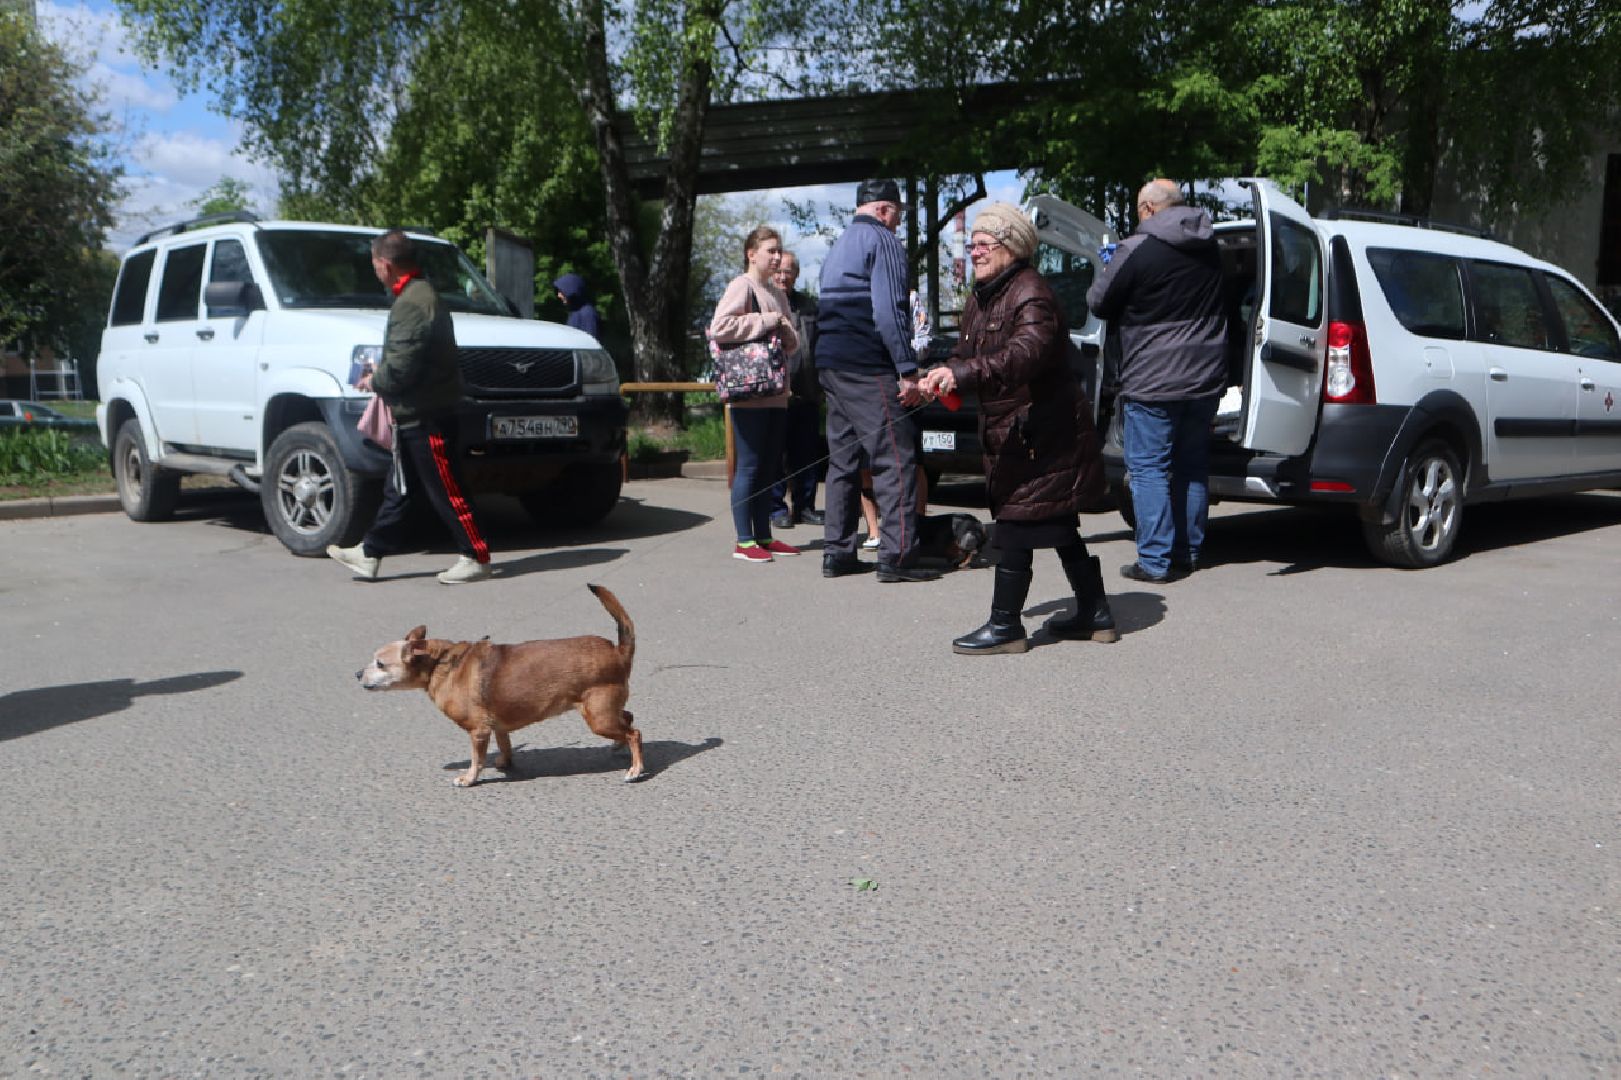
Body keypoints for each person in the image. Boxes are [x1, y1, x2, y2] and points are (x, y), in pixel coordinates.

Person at [918, 203, 1116, 654]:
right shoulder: (982, 295)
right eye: (973, 244)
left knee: (1013, 524)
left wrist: (963, 376)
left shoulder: (1031, 294)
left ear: (1012, 247)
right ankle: (1096, 611)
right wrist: (934, 379)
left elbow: (1022, 356)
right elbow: (967, 357)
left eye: (985, 243)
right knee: (1059, 523)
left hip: (1043, 433)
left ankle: (1005, 626)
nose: (976, 251)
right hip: (1016, 430)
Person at [327, 229, 493, 584]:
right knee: (400, 488)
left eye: (374, 265)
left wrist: (375, 380)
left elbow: (401, 368)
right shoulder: (417, 296)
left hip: (427, 415)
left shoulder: (413, 303)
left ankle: (476, 555)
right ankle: (369, 553)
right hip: (416, 413)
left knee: (448, 489)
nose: (375, 272)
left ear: (385, 265)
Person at [1085, 178, 1228, 583]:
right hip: (1205, 375)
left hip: (1154, 377)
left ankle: (1154, 560)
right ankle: (1187, 552)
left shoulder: (1136, 250)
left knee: (1148, 468)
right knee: (1192, 466)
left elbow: (1098, 302)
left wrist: (1110, 263)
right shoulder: (1210, 247)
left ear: (1148, 209)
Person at [815, 178, 939, 583]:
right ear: (885, 210)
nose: (898, 224)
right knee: (896, 458)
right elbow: (889, 312)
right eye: (898, 216)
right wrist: (906, 369)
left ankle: (837, 552)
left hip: (831, 364)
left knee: (843, 461)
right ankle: (897, 556)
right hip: (867, 365)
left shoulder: (838, 246)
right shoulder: (883, 242)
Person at [709, 225, 801, 563]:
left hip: (776, 391)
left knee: (768, 466)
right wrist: (765, 321)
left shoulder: (776, 292)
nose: (776, 257)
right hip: (748, 392)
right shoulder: (741, 286)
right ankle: (744, 540)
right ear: (752, 254)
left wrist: (782, 325)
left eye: (779, 251)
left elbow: (791, 342)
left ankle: (763, 534)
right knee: (748, 466)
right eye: (770, 251)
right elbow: (720, 327)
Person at [768, 251, 825, 530]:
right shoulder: (763, 302)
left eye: (788, 271)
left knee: (806, 454)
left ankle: (805, 507)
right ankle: (777, 508)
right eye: (778, 270)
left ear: (797, 275)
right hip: (776, 395)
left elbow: (821, 344)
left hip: (808, 392)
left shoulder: (810, 306)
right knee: (776, 455)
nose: (783, 276)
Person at [553, 273, 602, 340]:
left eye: (561, 291)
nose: (559, 295)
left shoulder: (588, 314)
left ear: (571, 290)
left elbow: (590, 343)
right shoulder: (574, 312)